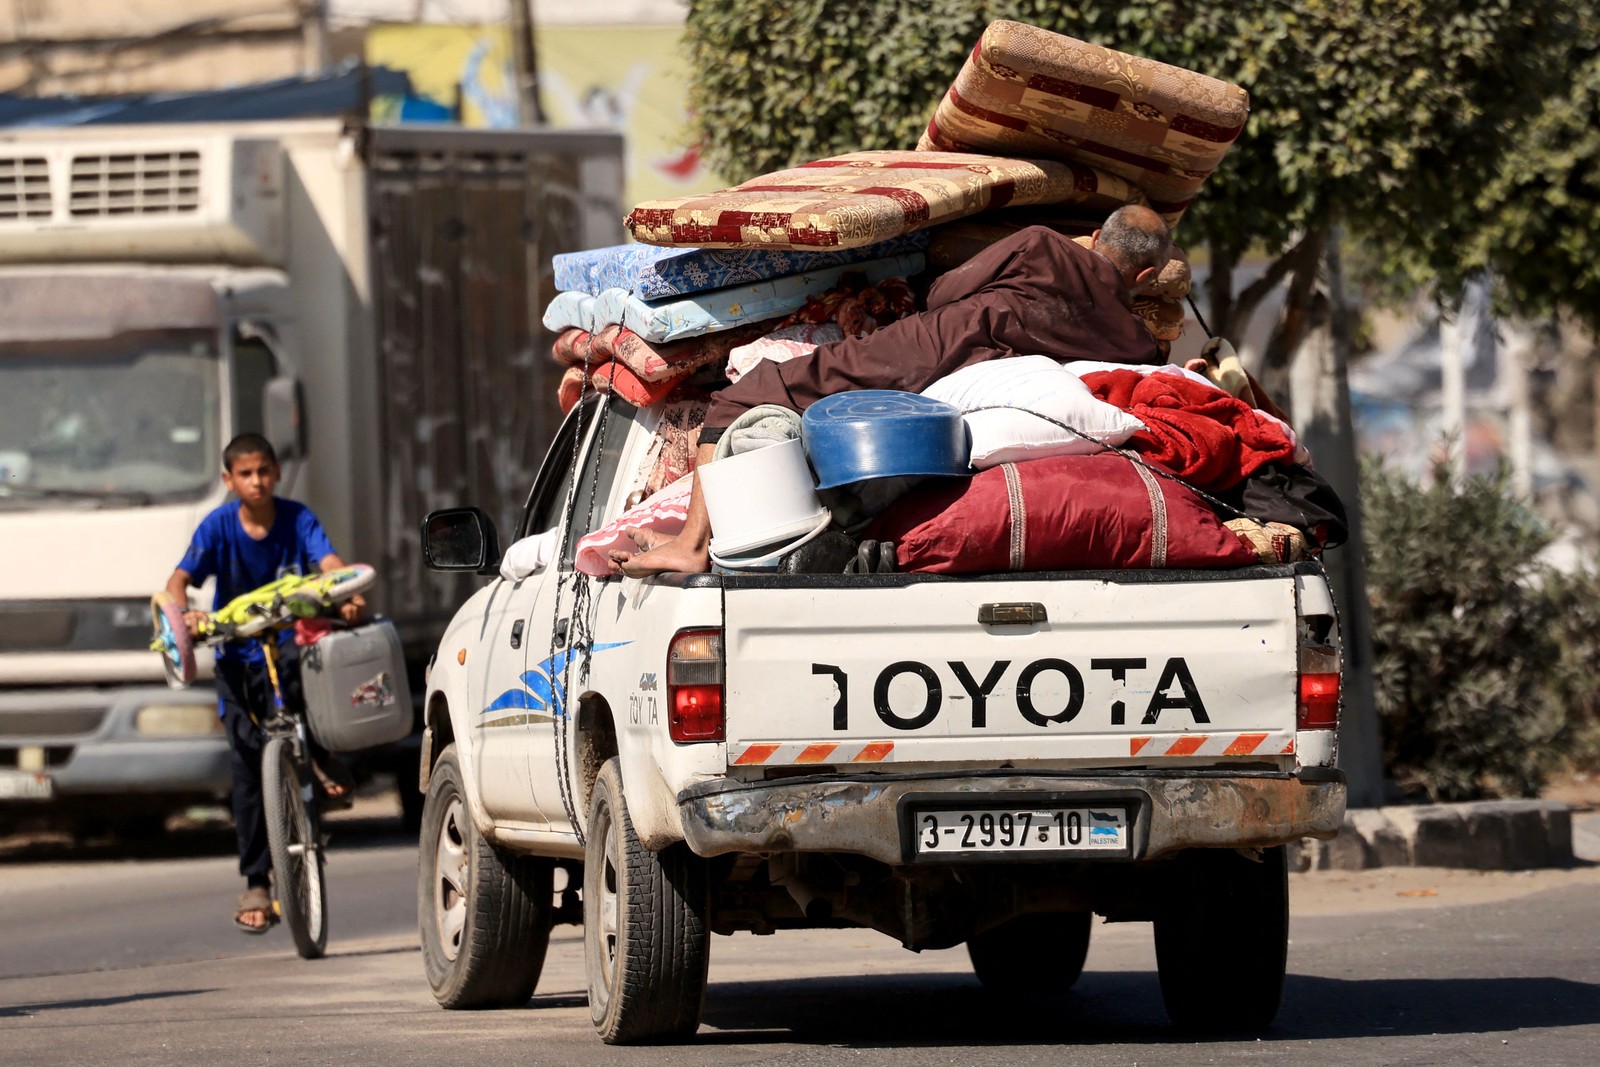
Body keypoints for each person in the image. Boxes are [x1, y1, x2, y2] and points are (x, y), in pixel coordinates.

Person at [612, 204, 1175, 576]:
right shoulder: (1134, 342)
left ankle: (690, 545)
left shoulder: (1042, 245)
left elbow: (945, 292)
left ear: (1096, 235)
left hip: (927, 350)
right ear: (1146, 278)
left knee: (749, 391)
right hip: (983, 395)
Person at [164, 433, 365, 934]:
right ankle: (257, 879)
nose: (256, 481)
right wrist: (181, 612)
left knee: (316, 688)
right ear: (229, 480)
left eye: (263, 471)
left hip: (290, 643)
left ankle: (317, 756)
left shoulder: (299, 519)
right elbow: (178, 580)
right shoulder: (218, 527)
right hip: (236, 657)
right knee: (246, 768)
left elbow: (331, 565)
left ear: (276, 472)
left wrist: (343, 593)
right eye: (245, 474)